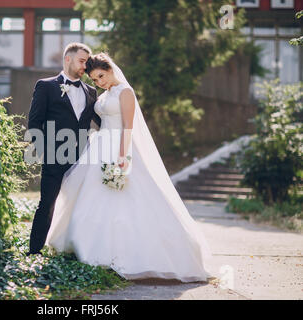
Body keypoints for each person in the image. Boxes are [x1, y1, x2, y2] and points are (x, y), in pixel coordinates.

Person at [45, 52, 214, 282]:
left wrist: (123, 156)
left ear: (111, 69)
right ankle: (88, 250)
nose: (100, 82)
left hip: (119, 147)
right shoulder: (105, 95)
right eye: (95, 80)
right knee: (90, 198)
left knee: (127, 199)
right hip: (100, 148)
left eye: (102, 76)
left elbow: (127, 127)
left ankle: (129, 256)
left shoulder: (125, 92)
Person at [26, 42, 102, 255]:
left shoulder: (91, 91)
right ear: (67, 59)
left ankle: (77, 250)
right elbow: (34, 123)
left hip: (83, 160)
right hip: (54, 157)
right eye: (82, 61)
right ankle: (34, 252)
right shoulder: (46, 86)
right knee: (47, 204)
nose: (85, 67)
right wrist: (46, 154)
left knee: (82, 206)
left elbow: (101, 122)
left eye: (87, 62)